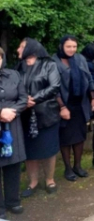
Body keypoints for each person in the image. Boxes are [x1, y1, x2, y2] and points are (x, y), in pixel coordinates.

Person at [16, 38, 61, 197]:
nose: (18, 50)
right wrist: (23, 100)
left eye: (21, 47)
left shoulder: (49, 64)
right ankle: (33, 182)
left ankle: (49, 179)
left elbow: (54, 86)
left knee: (49, 149)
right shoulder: (19, 67)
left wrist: (33, 98)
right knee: (30, 151)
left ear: (31, 49)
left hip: (46, 114)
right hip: (25, 116)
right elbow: (13, 86)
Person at [52, 35, 94, 182]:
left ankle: (78, 166)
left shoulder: (80, 59)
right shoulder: (54, 62)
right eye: (68, 46)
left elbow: (89, 78)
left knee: (79, 137)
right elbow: (54, 88)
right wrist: (62, 107)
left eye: (74, 46)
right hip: (63, 105)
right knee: (65, 139)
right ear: (61, 46)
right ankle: (68, 168)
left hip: (80, 104)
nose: (71, 49)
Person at [0, 47, 27, 217]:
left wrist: (13, 111)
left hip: (12, 126)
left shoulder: (14, 75)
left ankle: (13, 201)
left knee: (12, 164)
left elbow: (23, 98)